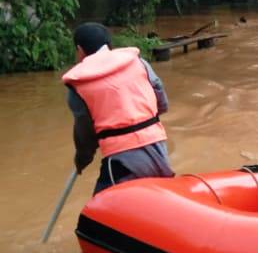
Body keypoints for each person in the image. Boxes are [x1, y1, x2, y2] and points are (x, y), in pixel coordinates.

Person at [62, 23, 174, 194]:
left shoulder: (77, 84)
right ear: (109, 45)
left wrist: (82, 159)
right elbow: (160, 96)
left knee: (94, 216)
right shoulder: (138, 62)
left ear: (79, 50)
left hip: (122, 162)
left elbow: (85, 134)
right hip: (159, 151)